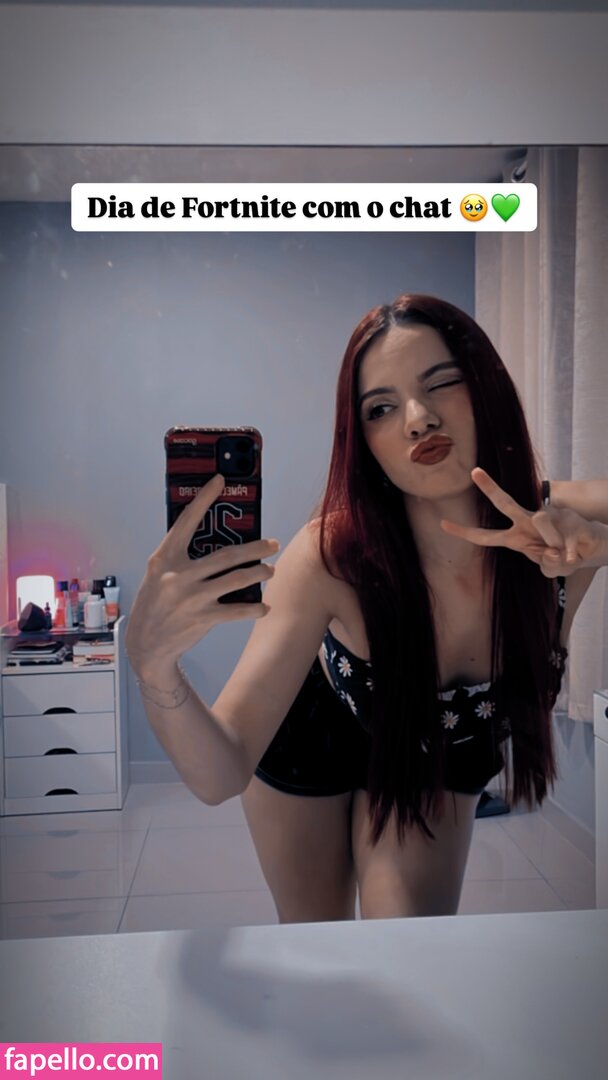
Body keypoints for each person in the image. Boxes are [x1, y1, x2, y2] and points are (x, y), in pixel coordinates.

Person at [126, 294, 608, 924]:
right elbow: (220, 773)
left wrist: (604, 546)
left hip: (437, 752)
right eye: (381, 408)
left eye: (441, 383)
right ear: (364, 444)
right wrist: (153, 667)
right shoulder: (330, 555)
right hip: (313, 735)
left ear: (487, 388)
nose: (418, 420)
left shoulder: (567, 522)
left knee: (407, 941)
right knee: (316, 940)